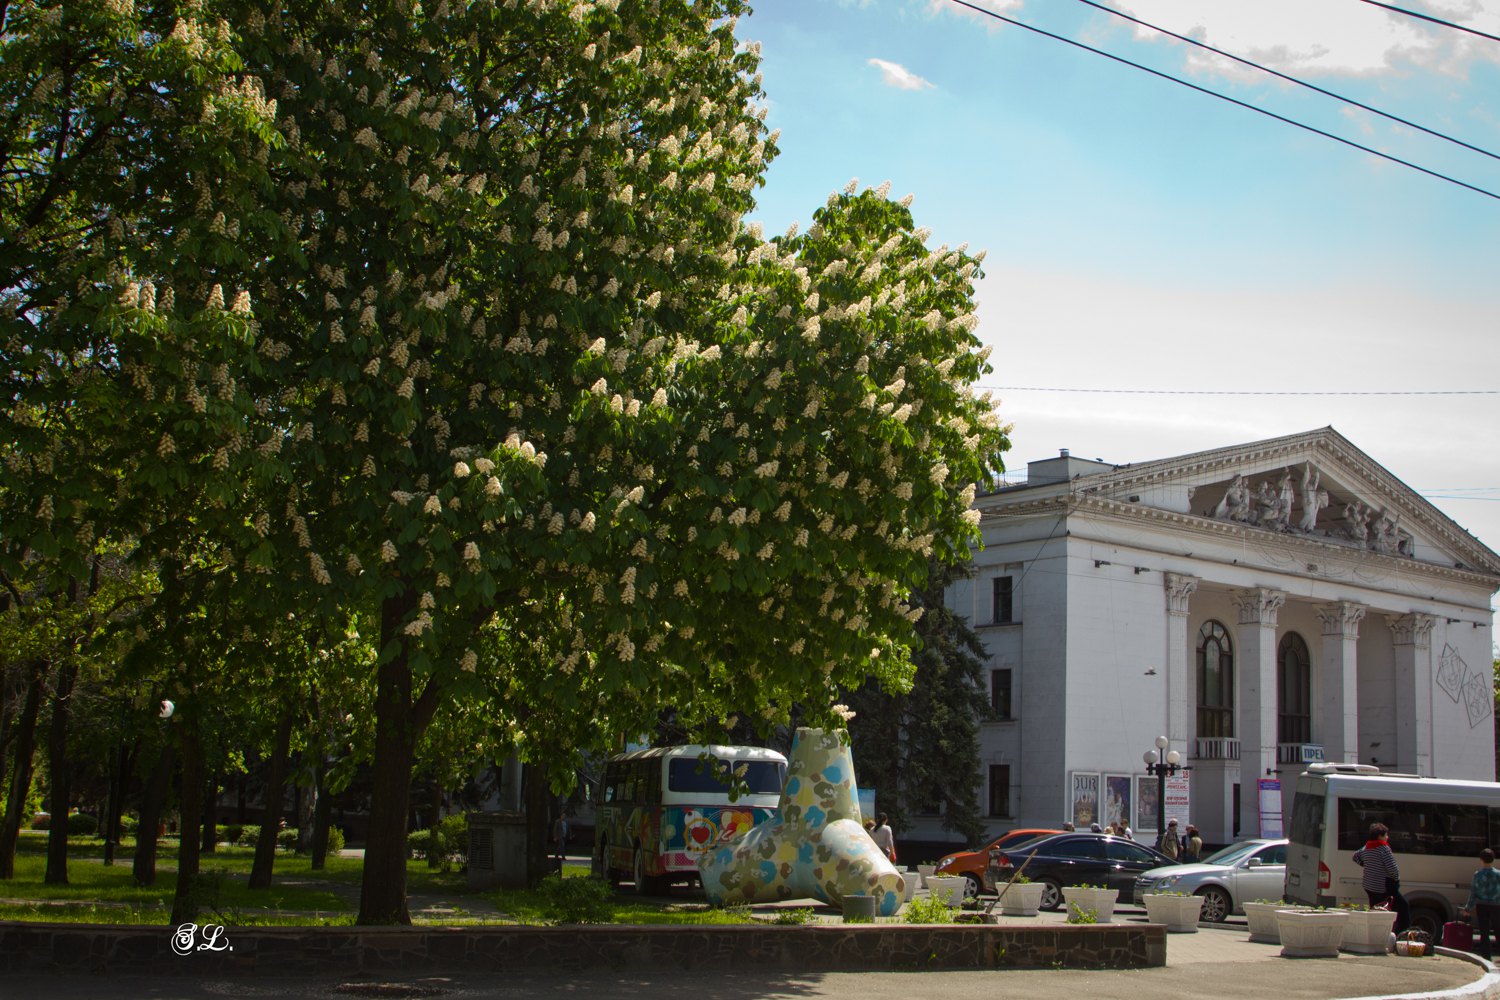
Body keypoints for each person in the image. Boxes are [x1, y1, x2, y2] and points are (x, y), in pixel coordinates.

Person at [1354, 822, 1410, 932]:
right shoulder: (1383, 849)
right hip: (1383, 886)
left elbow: (1355, 856)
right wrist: (1396, 878)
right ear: (1380, 836)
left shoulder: (1367, 847)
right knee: (1403, 907)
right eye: (1386, 835)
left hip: (1369, 886)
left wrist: (1366, 864)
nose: (1387, 837)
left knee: (1375, 911)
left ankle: (1375, 932)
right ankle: (1401, 933)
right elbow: (1392, 868)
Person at [1462, 848, 1500, 960]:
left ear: (1481, 860)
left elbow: (1473, 893)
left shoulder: (1478, 875)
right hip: (1497, 906)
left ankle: (1486, 958)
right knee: (1498, 932)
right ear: (1493, 859)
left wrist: (1467, 909)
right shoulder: (1498, 874)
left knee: (1484, 933)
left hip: (1482, 906)